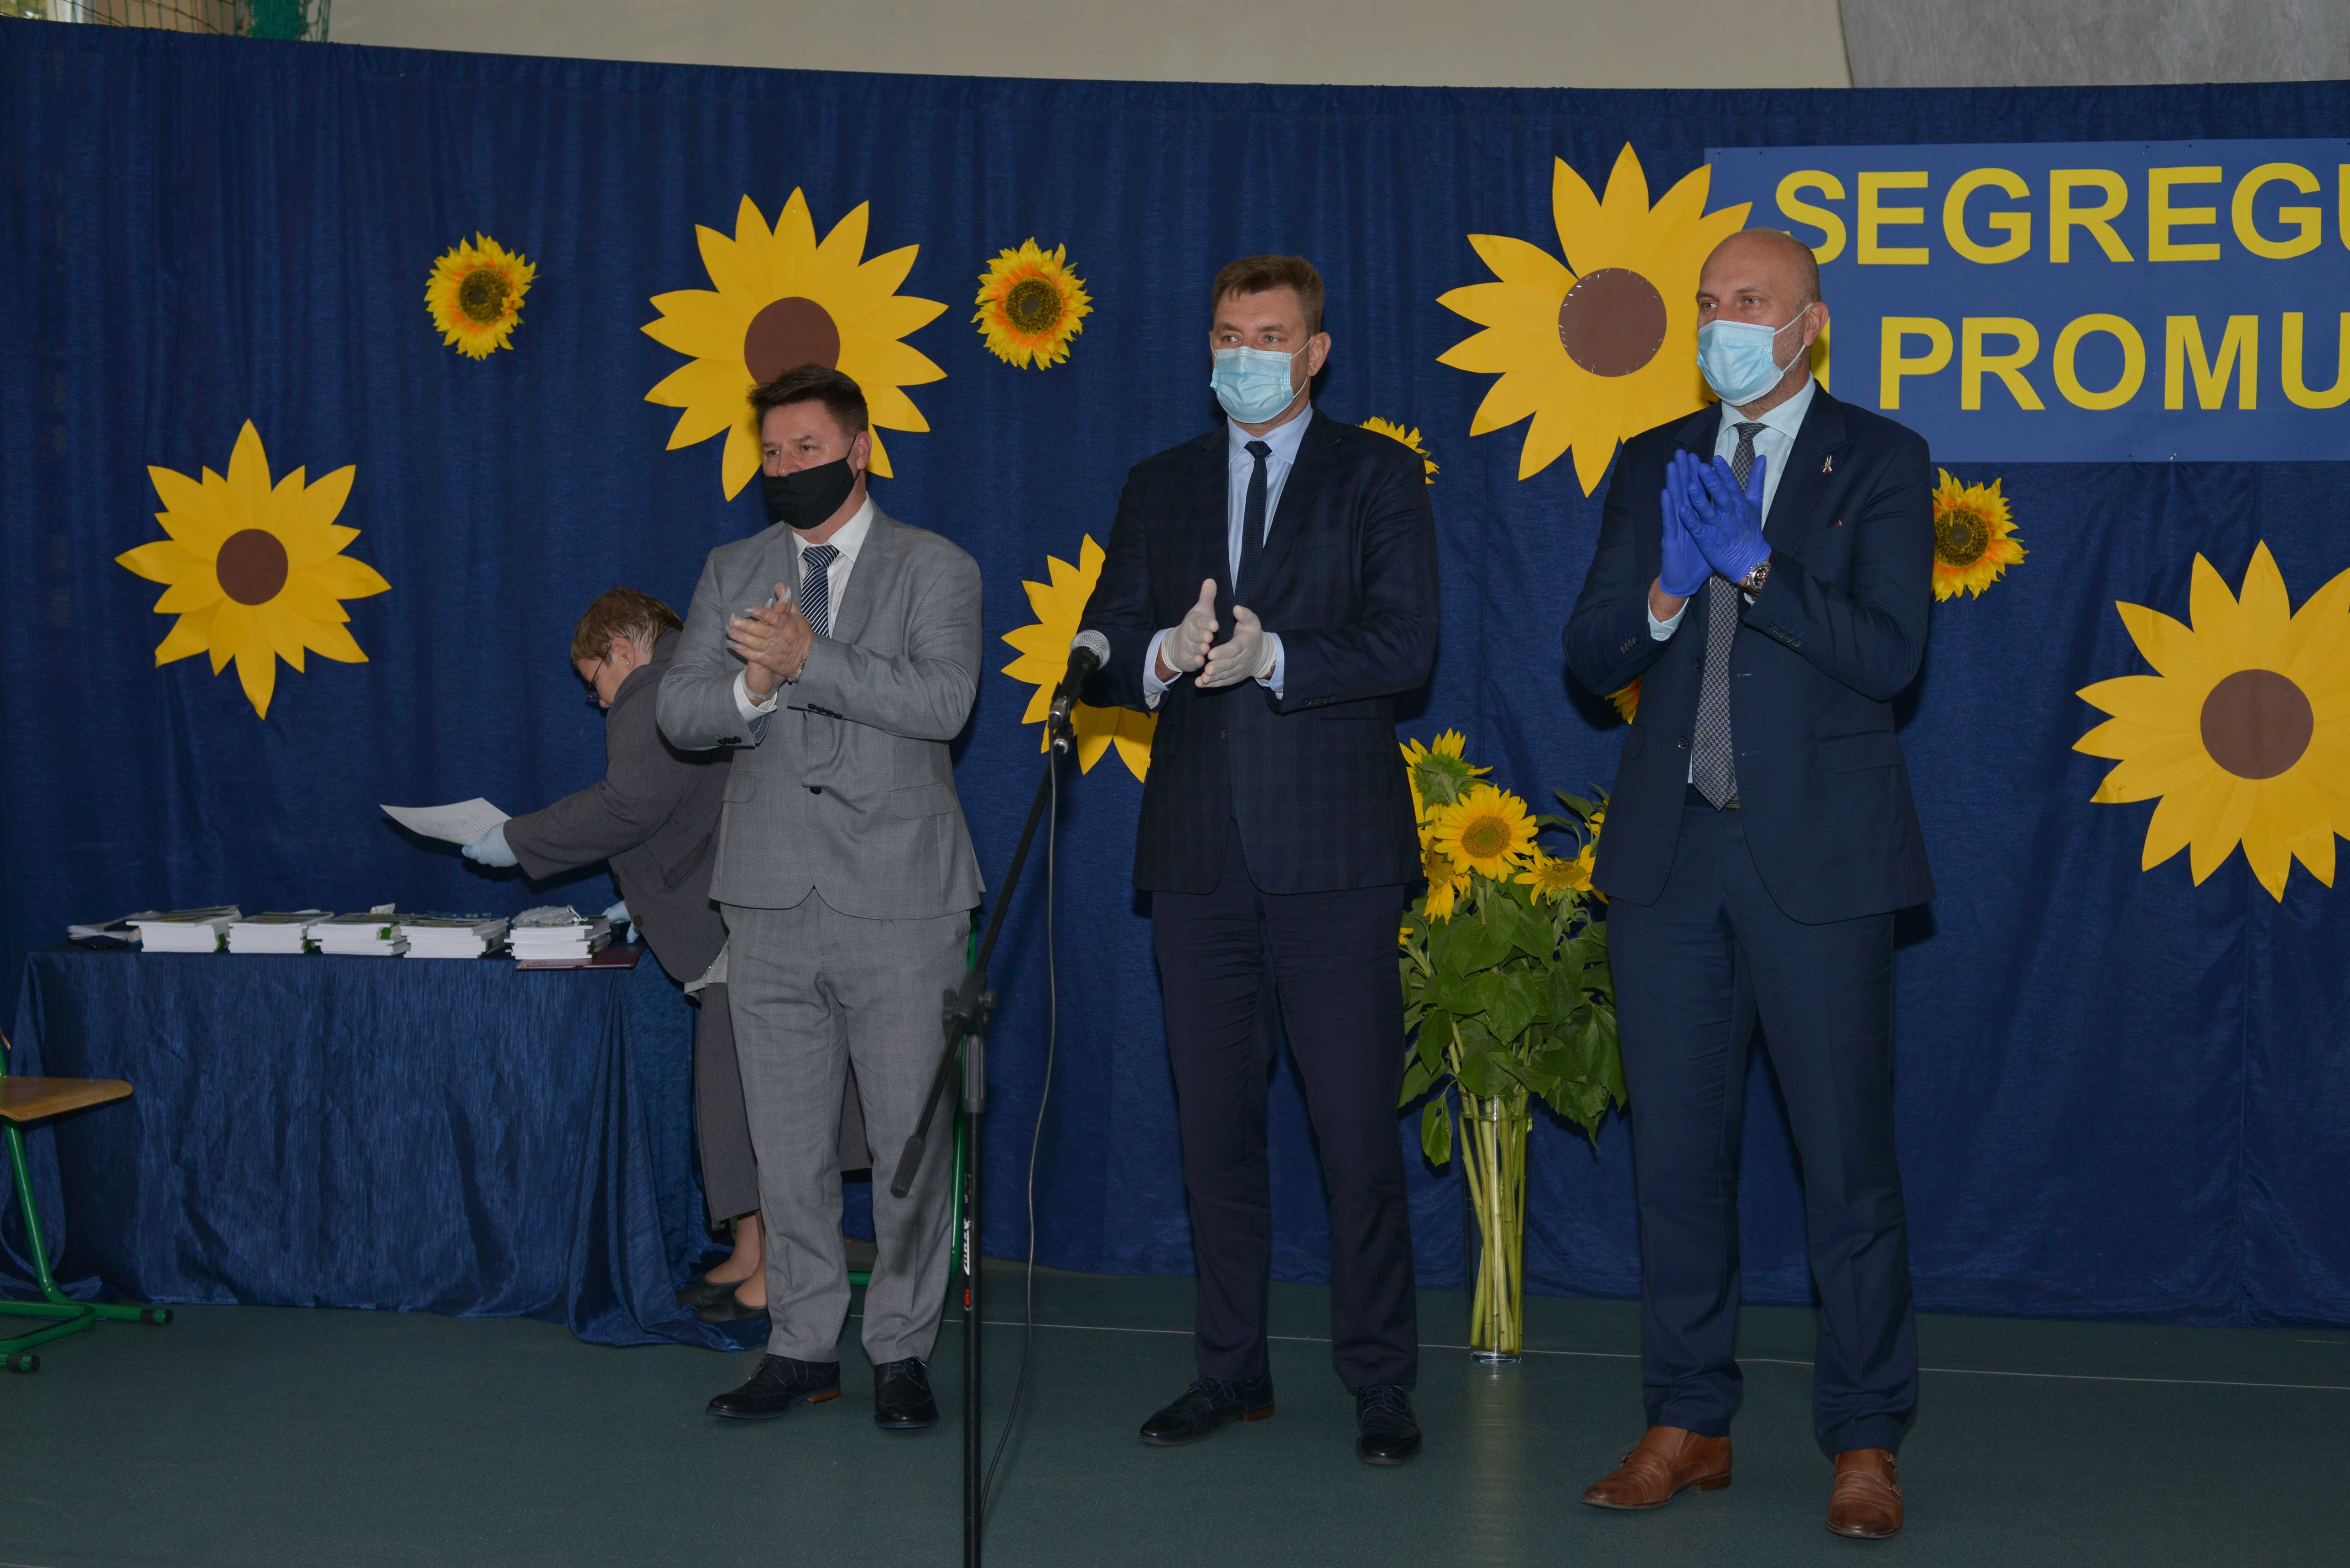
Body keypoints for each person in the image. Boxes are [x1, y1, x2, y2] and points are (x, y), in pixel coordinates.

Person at [1562, 228, 1935, 1541]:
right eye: (1710, 300)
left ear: (1808, 323)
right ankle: (1687, 1419)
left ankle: (1865, 1436)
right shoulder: (1651, 459)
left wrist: (1761, 570)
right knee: (1675, 1159)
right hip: (1671, 856)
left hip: (1817, 860)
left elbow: (1890, 654)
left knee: (1846, 1165)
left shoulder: (1881, 458)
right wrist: (1668, 589)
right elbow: (1588, 653)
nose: (1724, 320)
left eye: (1751, 300)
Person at [1075, 254, 1439, 1466]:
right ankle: (1229, 1369)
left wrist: (1274, 656)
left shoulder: (1376, 474)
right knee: (1213, 1135)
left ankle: (1379, 1377)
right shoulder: (1160, 481)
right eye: (1229, 333)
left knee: (1354, 1135)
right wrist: (1161, 654)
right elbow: (1106, 637)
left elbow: (1407, 643)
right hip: (1196, 860)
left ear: (1316, 352)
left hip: (1332, 859)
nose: (1246, 354)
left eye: (1271, 335)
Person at [657, 363, 982, 1433]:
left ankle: (900, 1349)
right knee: (786, 1144)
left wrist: (809, 659)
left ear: (859, 449)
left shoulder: (935, 566)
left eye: (806, 447)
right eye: (771, 452)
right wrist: (749, 688)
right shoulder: (731, 568)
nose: (786, 466)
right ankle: (798, 1346)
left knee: (906, 1146)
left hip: (902, 898)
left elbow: (943, 700)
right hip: (766, 896)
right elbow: (680, 712)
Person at [459, 587, 795, 1314]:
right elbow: (679, 803)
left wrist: (516, 839)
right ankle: (752, 1248)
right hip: (727, 912)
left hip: (743, 921)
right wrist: (639, 901)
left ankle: (784, 1270)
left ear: (621, 648)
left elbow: (628, 806)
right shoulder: (694, 675)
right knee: (730, 1094)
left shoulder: (655, 688)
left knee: (760, 1103)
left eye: (596, 684)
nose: (602, 702)